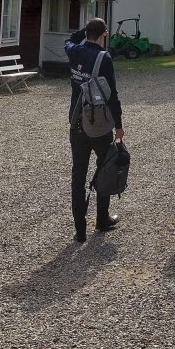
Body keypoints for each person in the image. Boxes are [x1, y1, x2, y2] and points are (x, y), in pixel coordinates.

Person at [65, 17, 124, 242]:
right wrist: (118, 125)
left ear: (87, 32)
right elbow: (112, 95)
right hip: (99, 124)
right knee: (105, 168)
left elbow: (70, 40)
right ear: (104, 34)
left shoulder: (74, 51)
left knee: (78, 174)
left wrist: (86, 29)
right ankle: (101, 219)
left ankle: (80, 230)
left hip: (76, 121)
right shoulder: (104, 57)